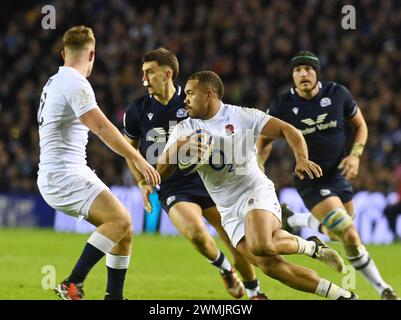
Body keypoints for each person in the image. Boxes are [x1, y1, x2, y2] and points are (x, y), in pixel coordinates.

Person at [158, 70, 357, 300]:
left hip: (254, 190)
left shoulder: (242, 116)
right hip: (227, 208)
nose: (185, 99)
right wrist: (177, 149)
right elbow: (160, 173)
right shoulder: (183, 130)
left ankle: (310, 247)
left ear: (208, 94)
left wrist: (301, 157)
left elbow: (288, 130)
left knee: (261, 244)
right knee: (270, 266)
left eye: (190, 93)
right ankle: (342, 295)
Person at [123, 48, 266, 299]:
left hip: (209, 181)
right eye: (142, 73)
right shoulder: (136, 110)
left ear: (167, 74)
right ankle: (224, 269)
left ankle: (255, 293)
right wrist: (141, 181)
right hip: (171, 186)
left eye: (149, 73)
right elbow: (130, 151)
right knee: (196, 233)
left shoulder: (193, 100)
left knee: (235, 241)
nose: (143, 79)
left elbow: (227, 129)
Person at [257, 50, 399, 300]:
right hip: (310, 179)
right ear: (292, 76)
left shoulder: (337, 94)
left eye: (308, 69)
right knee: (349, 231)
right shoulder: (283, 105)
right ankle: (384, 290)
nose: (303, 74)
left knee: (340, 234)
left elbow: (360, 125)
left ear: (316, 73)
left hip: (338, 176)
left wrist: (355, 155)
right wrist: (259, 166)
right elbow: (264, 139)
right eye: (298, 70)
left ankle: (297, 221)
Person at [36, 26, 160, 300]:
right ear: (92, 53)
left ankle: (113, 296)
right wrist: (137, 158)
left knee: (123, 230)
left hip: (64, 172)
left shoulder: (54, 81)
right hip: (64, 175)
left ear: (63, 53)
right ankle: (72, 284)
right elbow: (102, 128)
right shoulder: (75, 83)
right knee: (121, 219)